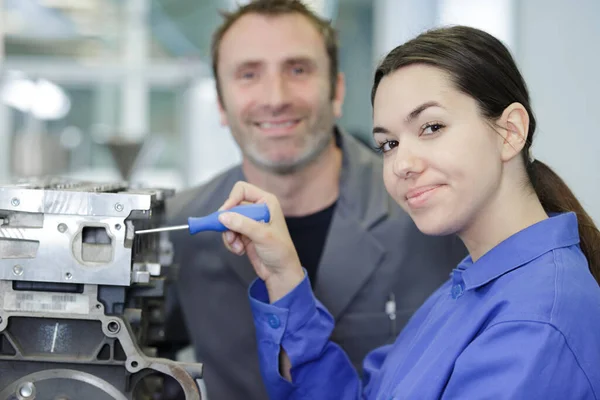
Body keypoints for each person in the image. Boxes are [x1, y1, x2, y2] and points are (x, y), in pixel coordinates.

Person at [216, 25, 600, 398]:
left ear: (510, 131)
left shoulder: (533, 325)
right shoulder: (468, 289)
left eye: (431, 127)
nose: (402, 163)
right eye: (389, 144)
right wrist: (281, 274)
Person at [160, 1, 466, 399]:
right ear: (220, 102)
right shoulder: (180, 226)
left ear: (337, 90)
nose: (276, 97)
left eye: (298, 70)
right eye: (248, 74)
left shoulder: (427, 211)